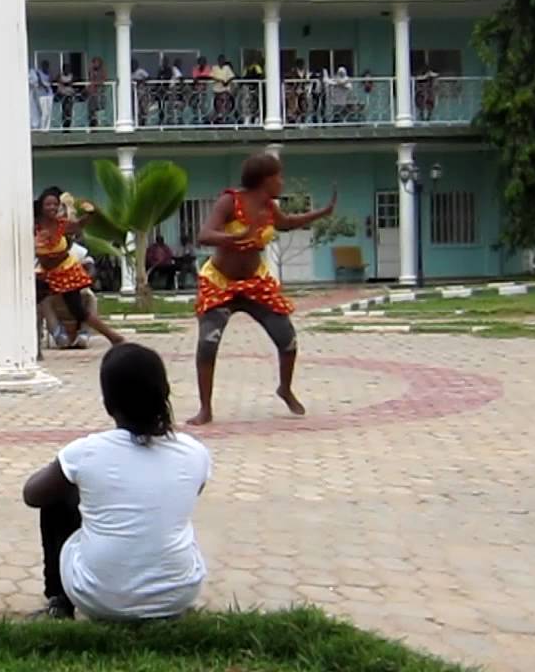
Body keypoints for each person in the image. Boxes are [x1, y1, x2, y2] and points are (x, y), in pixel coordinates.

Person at [24, 343, 211, 620]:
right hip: (178, 595)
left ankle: (60, 602)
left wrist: (84, 489)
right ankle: (163, 590)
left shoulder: (85, 452)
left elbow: (32, 494)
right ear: (165, 393)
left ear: (107, 403)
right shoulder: (195, 452)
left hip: (98, 597)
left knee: (58, 498)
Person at [187, 153, 337, 426]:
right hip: (221, 282)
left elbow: (286, 223)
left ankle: (285, 388)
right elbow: (204, 235)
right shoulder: (230, 201)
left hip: (255, 282)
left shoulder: (269, 206)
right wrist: (236, 237)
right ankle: (205, 408)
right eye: (278, 176)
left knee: (287, 339)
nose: (282, 181)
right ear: (265, 180)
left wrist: (321, 213)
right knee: (208, 345)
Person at [33, 188, 125, 348]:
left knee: (78, 311)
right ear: (41, 206)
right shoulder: (34, 226)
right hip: (46, 273)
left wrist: (91, 213)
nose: (52, 207)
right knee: (30, 302)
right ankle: (33, 343)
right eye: (48, 204)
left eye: (55, 204)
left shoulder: (61, 224)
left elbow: (78, 225)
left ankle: (114, 337)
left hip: (65, 272)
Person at [32, 59, 54, 131]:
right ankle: (42, 128)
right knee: (44, 111)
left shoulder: (48, 72)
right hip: (42, 94)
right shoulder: (38, 72)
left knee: (49, 111)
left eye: (47, 66)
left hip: (49, 94)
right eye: (45, 65)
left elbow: (51, 81)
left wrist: (50, 73)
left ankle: (47, 128)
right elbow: (40, 82)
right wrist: (45, 87)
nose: (46, 67)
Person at [86, 57, 108, 127]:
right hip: (92, 93)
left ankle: (100, 123)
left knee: (99, 108)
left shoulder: (102, 71)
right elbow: (90, 79)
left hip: (99, 92)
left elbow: (104, 80)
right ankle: (92, 124)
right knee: (91, 109)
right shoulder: (91, 70)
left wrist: (96, 83)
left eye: (96, 62)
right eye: (94, 62)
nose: (94, 64)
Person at [55, 62, 77, 129]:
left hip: (69, 95)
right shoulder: (60, 75)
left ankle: (68, 126)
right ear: (63, 69)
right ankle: (64, 126)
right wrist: (65, 83)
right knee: (64, 111)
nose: (67, 70)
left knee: (69, 111)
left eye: (68, 68)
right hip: (63, 95)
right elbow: (59, 81)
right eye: (66, 68)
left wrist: (65, 83)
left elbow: (71, 82)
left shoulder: (71, 75)